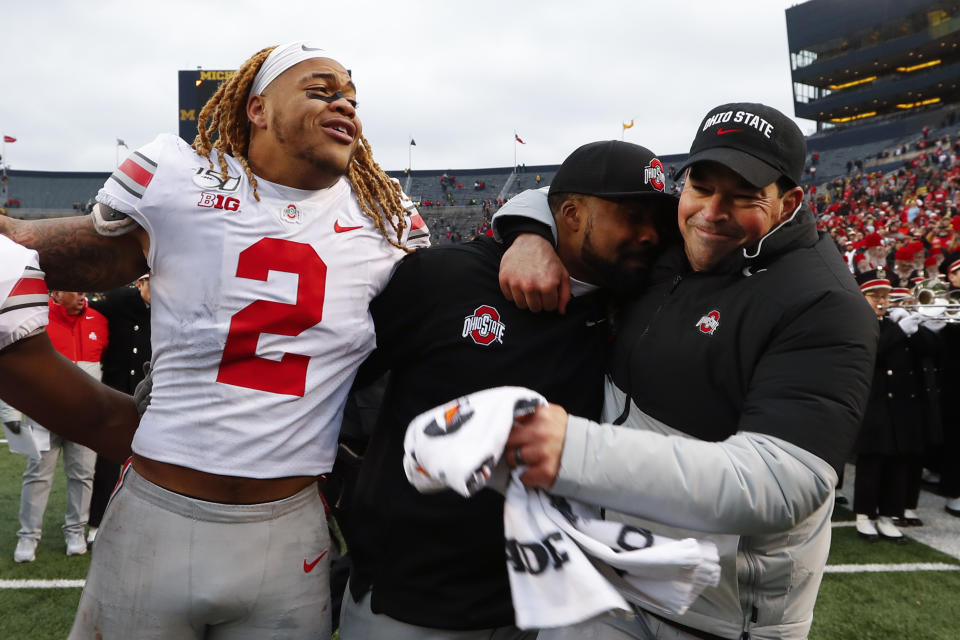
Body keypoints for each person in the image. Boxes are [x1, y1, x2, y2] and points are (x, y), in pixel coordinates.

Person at [0, 41, 427, 639]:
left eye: (352, 96)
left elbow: (453, 310)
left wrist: (529, 231)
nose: (345, 103)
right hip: (158, 514)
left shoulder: (384, 220)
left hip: (291, 531)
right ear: (257, 109)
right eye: (320, 89)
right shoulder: (180, 180)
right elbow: (45, 250)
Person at [493, 102, 877, 639]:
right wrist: (529, 232)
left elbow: (780, 484)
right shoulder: (671, 241)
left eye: (744, 195)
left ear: (789, 202)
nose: (711, 212)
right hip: (605, 574)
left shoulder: (824, 302)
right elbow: (561, 199)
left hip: (712, 614)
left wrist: (573, 450)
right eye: (700, 186)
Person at [340, 141, 677, 640]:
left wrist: (530, 232)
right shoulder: (447, 278)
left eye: (656, 219)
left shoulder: (633, 301)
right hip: (413, 601)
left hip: (543, 602)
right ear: (569, 212)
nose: (649, 235)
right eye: (630, 215)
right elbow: (339, 381)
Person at [14, 290, 107, 562]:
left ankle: (76, 532)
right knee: (36, 475)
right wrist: (13, 423)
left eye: (83, 290)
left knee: (82, 475)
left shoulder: (99, 319)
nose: (82, 296)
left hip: (85, 420)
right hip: (42, 417)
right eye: (75, 291)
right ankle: (28, 537)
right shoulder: (38, 322)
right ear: (56, 293)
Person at [852, 269, 936, 542]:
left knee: (898, 463)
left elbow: (932, 353)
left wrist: (921, 328)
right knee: (873, 461)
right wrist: (900, 331)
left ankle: (889, 514)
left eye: (885, 296)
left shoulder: (895, 325)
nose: (881, 301)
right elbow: (871, 353)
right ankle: (864, 515)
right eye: (874, 295)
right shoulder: (857, 322)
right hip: (875, 403)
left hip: (902, 406)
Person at [85, 273, 152, 546]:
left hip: (149, 397)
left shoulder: (168, 307)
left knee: (148, 462)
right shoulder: (119, 300)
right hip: (115, 392)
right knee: (108, 462)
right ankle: (96, 522)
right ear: (140, 283)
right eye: (153, 283)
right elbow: (90, 309)